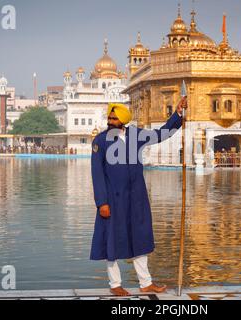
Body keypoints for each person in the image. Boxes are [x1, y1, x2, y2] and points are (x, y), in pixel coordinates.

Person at [90, 98, 187, 296]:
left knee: (140, 237)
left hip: (136, 198)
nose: (110, 120)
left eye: (114, 118)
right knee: (112, 240)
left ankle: (146, 283)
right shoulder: (100, 141)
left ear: (123, 120)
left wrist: (177, 115)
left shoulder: (136, 135)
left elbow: (161, 134)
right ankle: (115, 283)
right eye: (109, 117)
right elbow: (97, 174)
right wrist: (102, 203)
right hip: (113, 200)